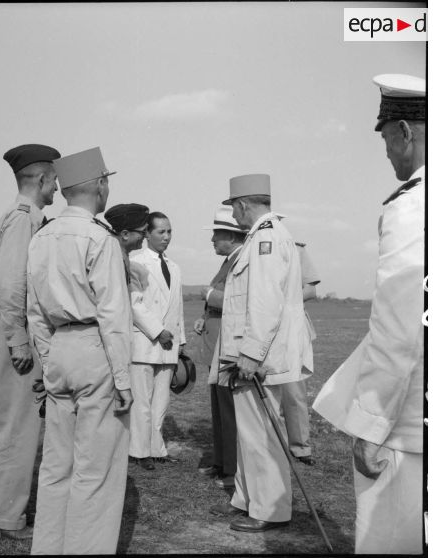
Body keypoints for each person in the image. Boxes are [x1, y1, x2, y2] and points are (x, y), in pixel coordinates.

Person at [313, 74, 425, 554]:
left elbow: (400, 329)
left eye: (385, 140)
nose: (386, 153)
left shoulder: (413, 208)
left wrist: (371, 427)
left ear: (404, 132)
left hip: (411, 424)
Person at [27, 147, 133, 555]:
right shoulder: (99, 238)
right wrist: (123, 379)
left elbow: (34, 310)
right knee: (96, 470)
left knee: (57, 466)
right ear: (101, 185)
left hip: (59, 347)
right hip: (95, 348)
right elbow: (113, 315)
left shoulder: (42, 236)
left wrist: (49, 358)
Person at [209, 174, 313, 533]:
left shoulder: (267, 239)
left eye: (233, 209)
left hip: (260, 357)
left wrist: (251, 356)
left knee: (262, 435)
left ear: (241, 205)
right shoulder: (262, 237)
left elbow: (265, 304)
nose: (234, 216)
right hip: (253, 354)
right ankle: (248, 500)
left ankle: (270, 509)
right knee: (249, 434)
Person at [0, 143, 60, 541]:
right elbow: (11, 286)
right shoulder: (22, 219)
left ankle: (7, 510)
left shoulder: (27, 218)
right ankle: (3, 518)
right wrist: (18, 341)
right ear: (42, 178)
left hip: (20, 328)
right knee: (17, 425)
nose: (57, 189)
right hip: (18, 329)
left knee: (20, 423)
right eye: (54, 180)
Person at [127, 211, 186, 470]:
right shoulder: (133, 261)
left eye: (170, 231)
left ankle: (156, 449)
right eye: (161, 232)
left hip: (169, 344)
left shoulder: (174, 267)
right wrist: (157, 330)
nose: (166, 237)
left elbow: (178, 307)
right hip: (145, 341)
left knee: (161, 401)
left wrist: (180, 340)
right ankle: (139, 452)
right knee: (142, 400)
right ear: (147, 233)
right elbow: (133, 303)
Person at [194, 206, 246, 489]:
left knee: (229, 408)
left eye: (217, 234)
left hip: (228, 344)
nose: (213, 240)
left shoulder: (240, 261)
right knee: (219, 405)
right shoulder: (230, 260)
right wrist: (204, 315)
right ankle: (222, 462)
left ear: (231, 236)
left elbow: (237, 301)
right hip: (217, 342)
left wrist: (210, 295)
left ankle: (232, 468)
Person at [280, 239, 320, 465]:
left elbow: (310, 290)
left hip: (292, 327)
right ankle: (273, 445)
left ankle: (300, 448)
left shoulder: (295, 248)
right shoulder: (252, 247)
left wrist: (281, 301)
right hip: (262, 327)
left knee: (293, 391)